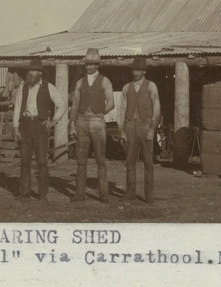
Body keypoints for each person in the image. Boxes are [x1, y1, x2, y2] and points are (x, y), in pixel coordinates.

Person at [12, 59, 66, 201]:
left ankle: (43, 194)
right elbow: (17, 107)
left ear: (40, 72)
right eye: (29, 70)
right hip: (24, 126)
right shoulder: (23, 87)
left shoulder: (48, 87)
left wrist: (53, 121)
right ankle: (25, 192)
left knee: (42, 162)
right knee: (25, 161)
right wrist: (15, 127)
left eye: (33, 70)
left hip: (40, 126)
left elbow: (61, 104)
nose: (30, 73)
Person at [69, 48, 115, 203]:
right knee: (81, 160)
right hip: (81, 121)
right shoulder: (80, 82)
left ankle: (103, 194)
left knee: (100, 160)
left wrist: (99, 113)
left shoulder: (105, 81)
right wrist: (72, 124)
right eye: (87, 64)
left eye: (91, 64)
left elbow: (111, 103)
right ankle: (79, 193)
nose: (88, 67)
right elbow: (75, 104)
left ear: (97, 65)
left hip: (97, 122)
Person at [118, 56, 161, 203]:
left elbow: (156, 107)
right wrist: (121, 130)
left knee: (148, 162)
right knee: (130, 161)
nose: (135, 72)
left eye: (139, 70)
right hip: (130, 125)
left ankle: (148, 194)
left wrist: (152, 129)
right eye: (134, 70)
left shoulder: (151, 86)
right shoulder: (126, 87)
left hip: (145, 125)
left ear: (144, 72)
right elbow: (122, 109)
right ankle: (130, 193)